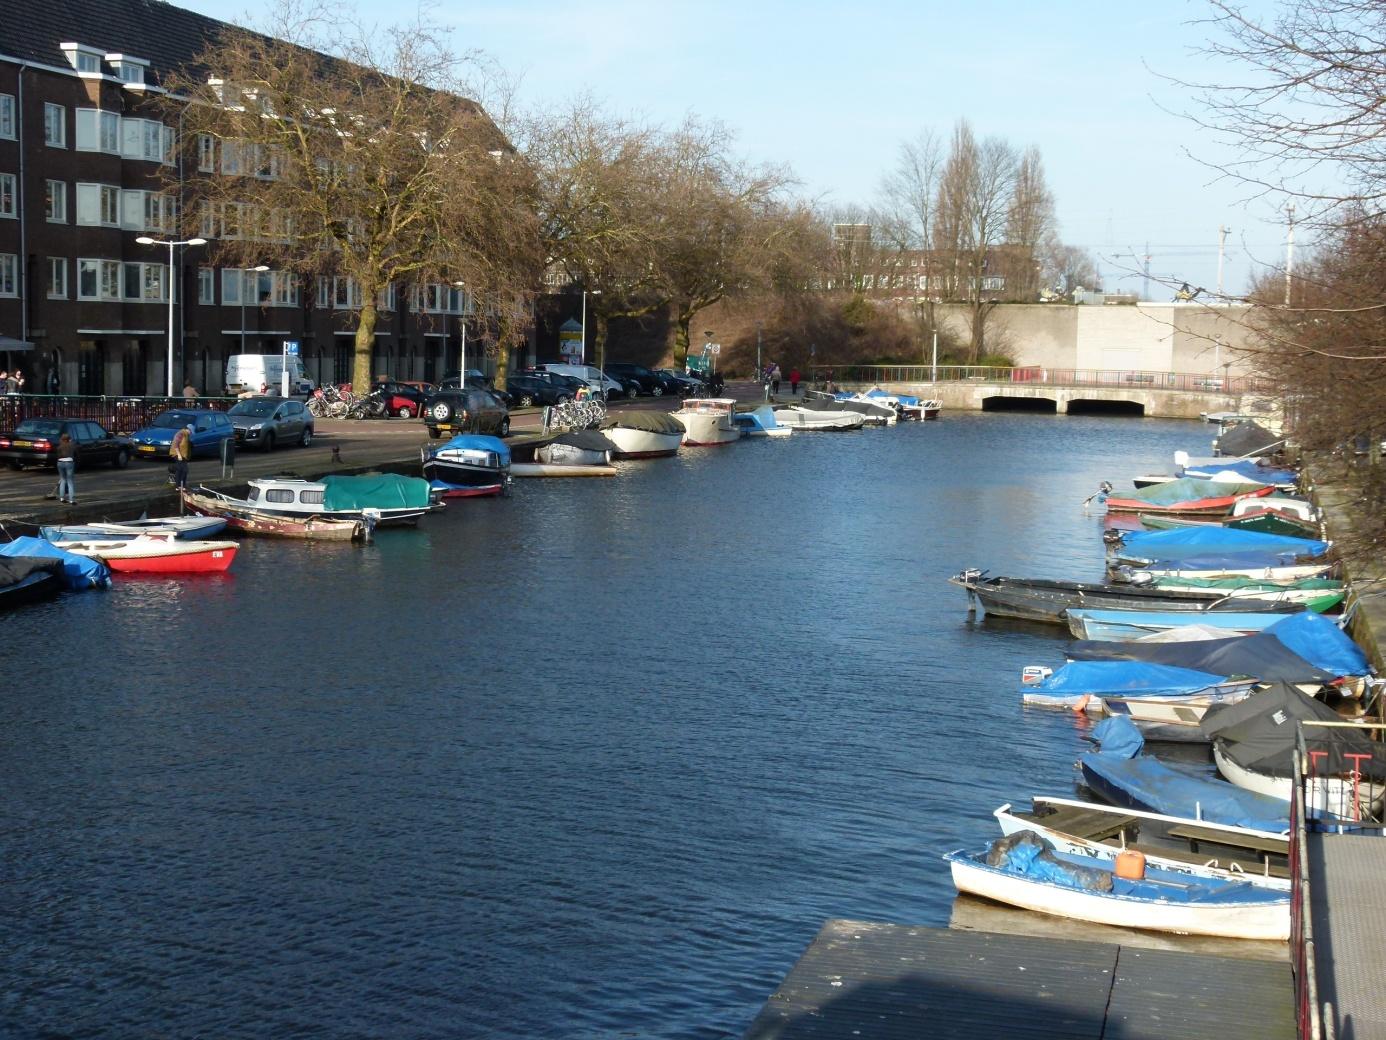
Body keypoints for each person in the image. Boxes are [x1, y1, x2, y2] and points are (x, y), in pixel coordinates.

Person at [55, 432, 77, 504]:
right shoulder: (72, 445)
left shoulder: (59, 447)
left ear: (62, 439)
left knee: (63, 480)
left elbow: (58, 455)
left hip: (60, 463)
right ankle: (71, 500)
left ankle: (61, 498)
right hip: (69, 463)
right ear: (69, 439)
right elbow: (75, 452)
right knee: (70, 481)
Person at [170, 425, 192, 491]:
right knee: (182, 469)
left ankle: (181, 485)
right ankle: (179, 486)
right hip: (177, 454)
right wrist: (179, 455)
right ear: (187, 429)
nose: (191, 433)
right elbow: (176, 444)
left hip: (183, 455)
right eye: (191, 431)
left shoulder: (186, 435)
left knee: (183, 469)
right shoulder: (180, 433)